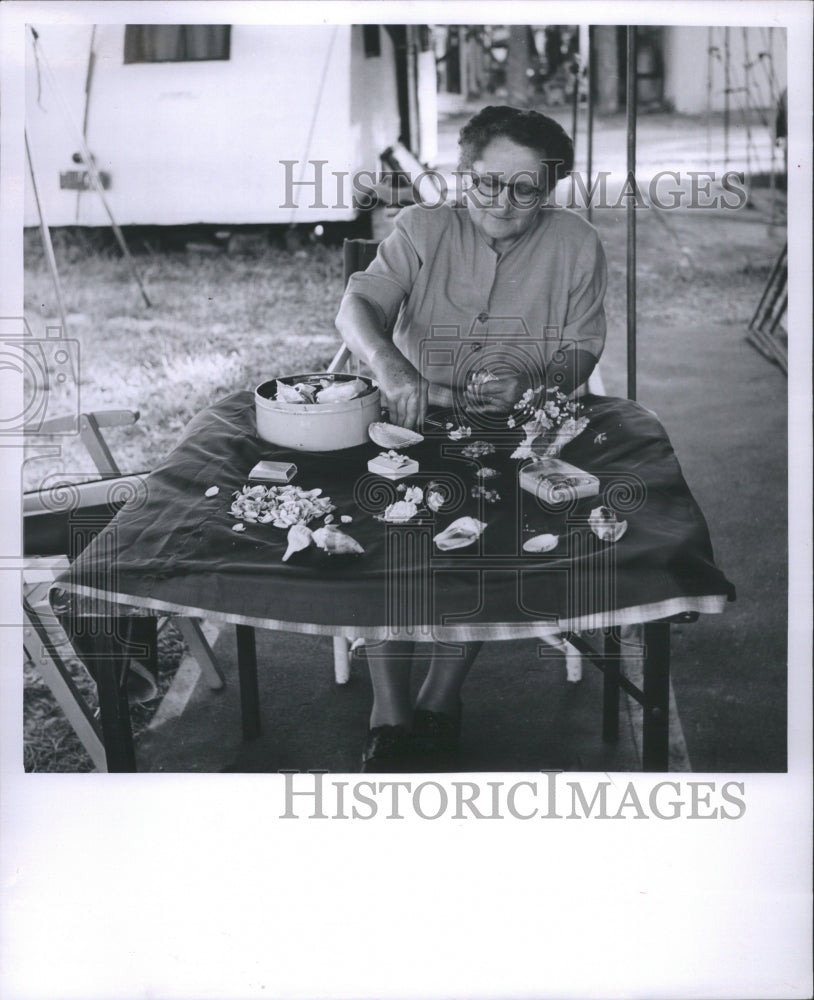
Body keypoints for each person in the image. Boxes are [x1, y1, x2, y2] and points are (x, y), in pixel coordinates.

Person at [335, 105, 607, 771]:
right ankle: (390, 709)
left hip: (511, 436)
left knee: (491, 539)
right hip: (408, 428)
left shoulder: (576, 245)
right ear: (462, 175)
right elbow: (358, 306)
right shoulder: (421, 227)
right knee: (387, 542)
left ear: (550, 190)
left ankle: (440, 698)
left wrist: (536, 388)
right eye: (486, 183)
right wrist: (390, 364)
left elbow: (582, 349)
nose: (502, 202)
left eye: (525, 188)